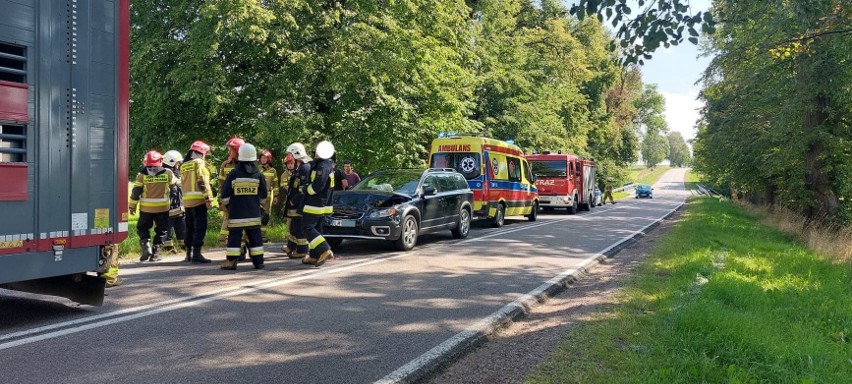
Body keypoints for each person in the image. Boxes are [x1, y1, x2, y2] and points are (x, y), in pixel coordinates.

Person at [219, 143, 268, 270]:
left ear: (240, 157)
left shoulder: (234, 174)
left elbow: (224, 196)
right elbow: (263, 197)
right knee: (255, 238)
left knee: (234, 238)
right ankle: (259, 262)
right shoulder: (259, 175)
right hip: (254, 215)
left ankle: (231, 262)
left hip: (236, 215)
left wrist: (228, 205)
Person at [129, 150, 178, 262]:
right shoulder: (168, 172)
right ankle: (156, 252)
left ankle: (146, 245)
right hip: (163, 208)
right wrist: (173, 204)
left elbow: (136, 192)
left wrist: (132, 207)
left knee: (142, 228)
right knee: (162, 230)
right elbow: (174, 189)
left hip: (146, 208)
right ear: (160, 161)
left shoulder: (142, 175)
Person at [300, 140, 335, 267]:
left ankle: (324, 249)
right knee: (317, 229)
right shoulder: (324, 164)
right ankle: (315, 255)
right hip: (321, 204)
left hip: (315, 203)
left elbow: (318, 185)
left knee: (307, 228)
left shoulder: (323, 166)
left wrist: (306, 190)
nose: (315, 152)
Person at [180, 140, 214, 263]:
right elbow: (202, 181)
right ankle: (197, 254)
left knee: (189, 228)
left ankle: (188, 254)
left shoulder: (184, 165)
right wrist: (208, 198)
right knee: (200, 227)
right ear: (201, 153)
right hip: (199, 201)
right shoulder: (199, 163)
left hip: (187, 202)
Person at [281, 143, 312, 259]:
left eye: (291, 154)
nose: (289, 157)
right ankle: (291, 246)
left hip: (299, 204)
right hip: (294, 204)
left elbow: (302, 189)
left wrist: (294, 200)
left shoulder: (305, 168)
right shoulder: (299, 167)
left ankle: (302, 250)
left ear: (296, 153)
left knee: (298, 228)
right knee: (294, 227)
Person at [218, 137, 245, 245]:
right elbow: (221, 184)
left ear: (237, 150)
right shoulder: (225, 164)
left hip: (243, 200)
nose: (228, 151)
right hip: (229, 199)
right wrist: (220, 201)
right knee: (227, 219)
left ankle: (243, 243)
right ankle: (223, 239)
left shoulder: (246, 164)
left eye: (231, 149)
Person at [162, 150, 187, 257]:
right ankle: (168, 247)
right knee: (169, 228)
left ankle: (183, 246)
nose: (179, 165)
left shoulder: (174, 173)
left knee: (181, 227)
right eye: (178, 163)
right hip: (169, 207)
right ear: (172, 162)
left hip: (178, 207)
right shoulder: (166, 173)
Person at [259, 149, 278, 243]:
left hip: (267, 198)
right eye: (262, 158)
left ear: (268, 159)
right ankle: (253, 236)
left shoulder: (272, 170)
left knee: (265, 216)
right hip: (256, 197)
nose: (263, 159)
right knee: (256, 215)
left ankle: (262, 236)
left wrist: (276, 196)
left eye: (265, 158)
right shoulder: (256, 169)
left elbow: (275, 185)